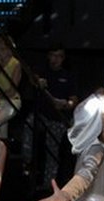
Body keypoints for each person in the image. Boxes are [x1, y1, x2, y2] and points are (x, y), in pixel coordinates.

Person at [23, 45, 78, 185]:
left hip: (58, 119)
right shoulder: (42, 71)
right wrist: (37, 81)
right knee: (29, 123)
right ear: (49, 56)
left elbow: (73, 100)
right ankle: (26, 161)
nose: (56, 59)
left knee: (53, 152)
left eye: (59, 56)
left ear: (63, 58)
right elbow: (32, 78)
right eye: (53, 55)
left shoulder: (68, 76)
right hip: (41, 114)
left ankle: (49, 185)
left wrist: (65, 104)